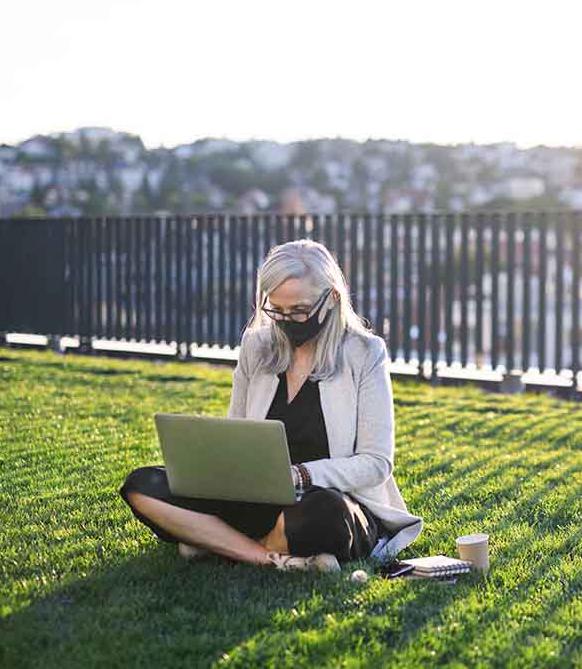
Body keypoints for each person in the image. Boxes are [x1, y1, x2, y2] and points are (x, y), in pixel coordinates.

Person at [119, 238, 423, 570]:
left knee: (324, 515)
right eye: (276, 310)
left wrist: (302, 476)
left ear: (333, 298)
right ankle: (267, 555)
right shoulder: (256, 347)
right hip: (257, 497)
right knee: (142, 485)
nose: (287, 320)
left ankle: (218, 543)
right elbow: (237, 435)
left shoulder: (364, 353)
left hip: (330, 498)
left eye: (300, 310)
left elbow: (376, 463)